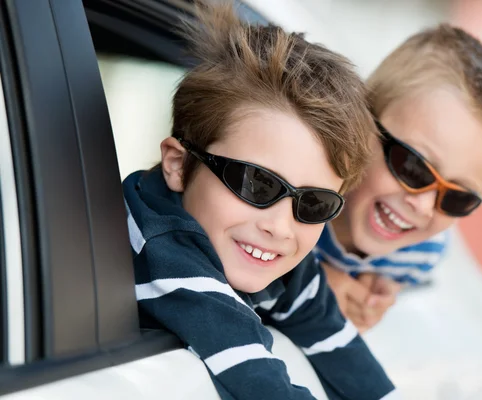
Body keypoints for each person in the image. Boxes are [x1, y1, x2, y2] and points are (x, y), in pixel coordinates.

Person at [123, 1, 398, 399]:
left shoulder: (283, 260)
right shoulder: (162, 250)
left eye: (314, 204)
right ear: (179, 165)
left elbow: (341, 351)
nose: (280, 226)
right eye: (257, 184)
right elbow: (257, 381)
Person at [316, 24, 482, 333]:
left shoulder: (420, 253)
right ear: (359, 121)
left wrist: (376, 297)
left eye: (456, 197)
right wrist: (312, 281)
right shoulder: (299, 189)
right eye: (414, 167)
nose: (425, 206)